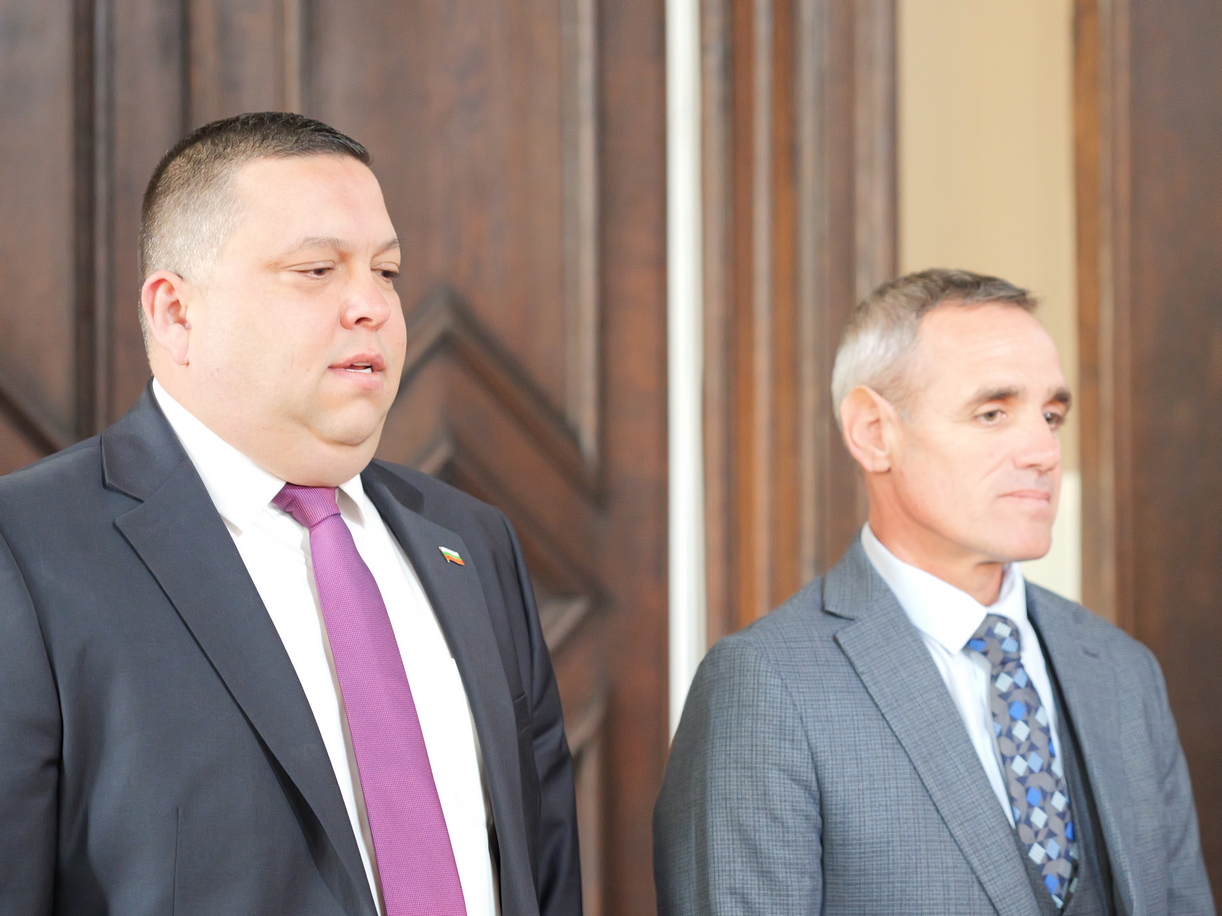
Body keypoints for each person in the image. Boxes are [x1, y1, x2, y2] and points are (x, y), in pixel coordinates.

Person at [0, 112, 581, 916]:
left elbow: (544, 875)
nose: (371, 305)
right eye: (316, 270)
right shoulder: (28, 551)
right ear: (176, 313)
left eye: (387, 271)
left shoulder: (473, 544)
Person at [654, 269, 1214, 916]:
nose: (1043, 451)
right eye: (992, 413)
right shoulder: (765, 687)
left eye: (1051, 416)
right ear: (873, 432)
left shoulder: (1123, 670)